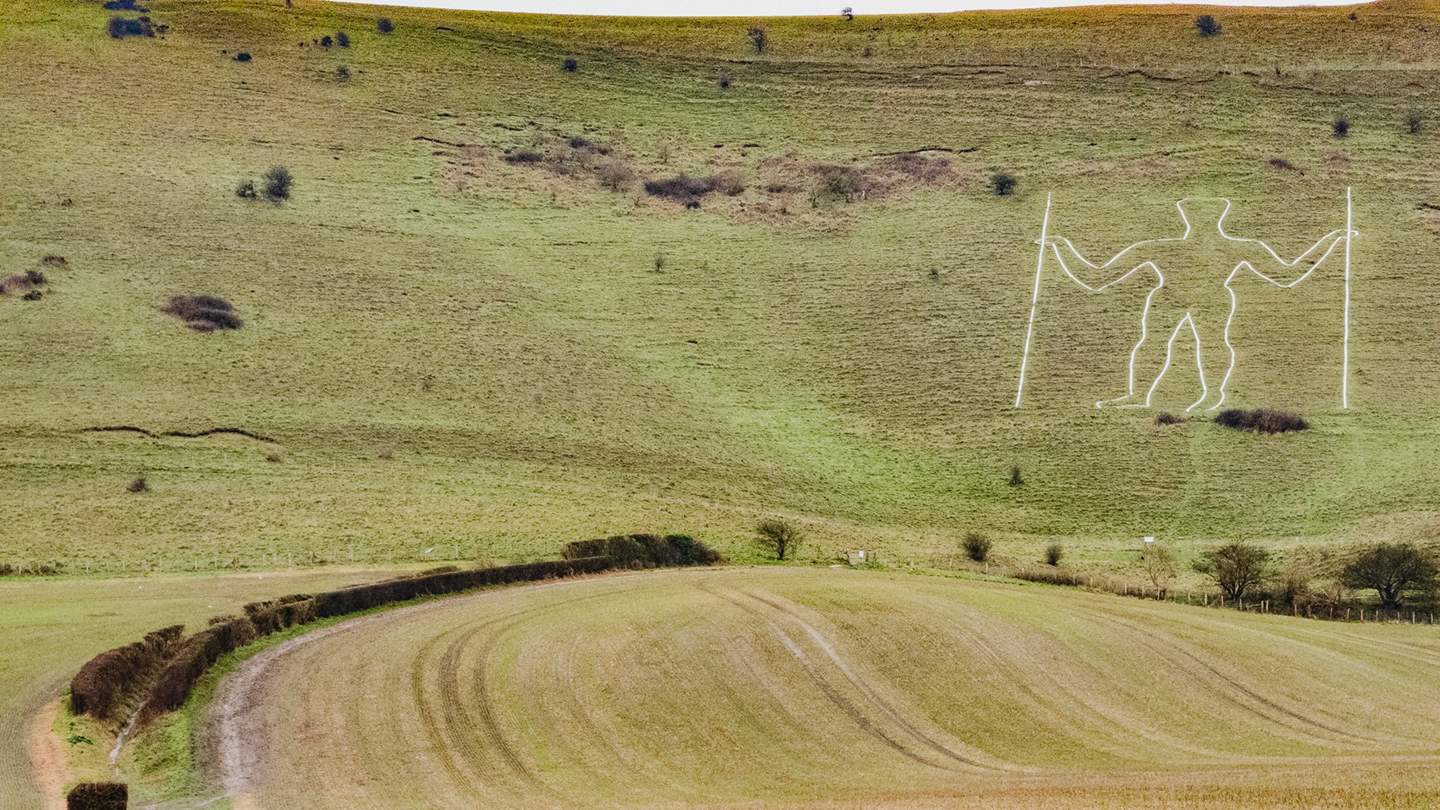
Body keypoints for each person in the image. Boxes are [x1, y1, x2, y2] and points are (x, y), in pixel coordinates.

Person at [1042, 197, 1354, 411]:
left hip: (1211, 299)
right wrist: (1060, 246)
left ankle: (1211, 395)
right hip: (1169, 297)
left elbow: (1286, 275)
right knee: (1153, 343)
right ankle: (1139, 395)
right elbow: (1098, 278)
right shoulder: (1164, 248)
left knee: (1211, 343)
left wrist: (1333, 240)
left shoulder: (1237, 248)